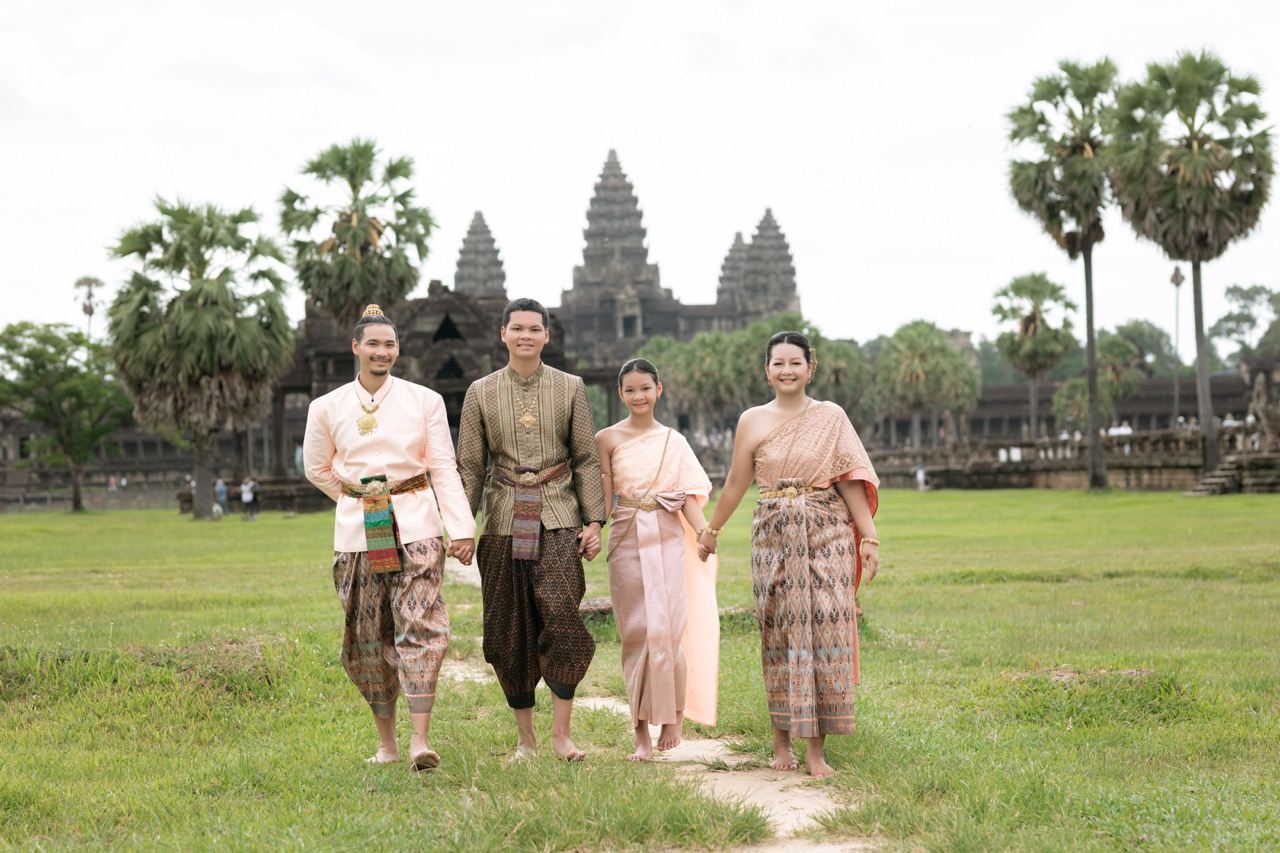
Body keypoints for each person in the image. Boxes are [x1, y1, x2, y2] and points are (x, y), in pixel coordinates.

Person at [698, 331, 879, 779]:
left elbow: (849, 478)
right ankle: (781, 742)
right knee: (778, 631)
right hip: (773, 533)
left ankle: (817, 750)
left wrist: (869, 537)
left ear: (810, 368)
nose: (787, 370)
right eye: (778, 363)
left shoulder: (831, 416)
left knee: (825, 631)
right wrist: (711, 530)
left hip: (826, 529)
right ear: (767, 371)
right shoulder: (752, 420)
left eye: (795, 362)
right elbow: (737, 482)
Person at [303, 304, 475, 771]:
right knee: (367, 635)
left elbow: (443, 467)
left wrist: (460, 528)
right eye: (373, 344)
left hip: (417, 526)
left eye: (390, 344)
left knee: (421, 625)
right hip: (358, 533)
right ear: (356, 347)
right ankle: (387, 744)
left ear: (398, 350)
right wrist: (357, 498)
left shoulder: (425, 400)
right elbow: (316, 468)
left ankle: (420, 740)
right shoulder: (326, 407)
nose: (382, 352)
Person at [456, 297, 605, 762]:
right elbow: (470, 465)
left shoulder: (571, 387)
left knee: (562, 614)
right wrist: (462, 525)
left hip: (558, 515)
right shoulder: (480, 392)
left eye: (534, 329)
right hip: (502, 518)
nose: (525, 336)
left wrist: (594, 520)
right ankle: (526, 740)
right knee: (508, 628)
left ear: (546, 335)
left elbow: (586, 458)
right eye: (517, 328)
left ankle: (562, 736)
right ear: (503, 334)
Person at [596, 358, 718, 762]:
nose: (638, 396)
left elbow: (685, 497)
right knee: (637, 632)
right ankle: (640, 734)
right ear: (620, 393)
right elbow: (605, 500)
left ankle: (673, 719)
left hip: (667, 536)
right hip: (627, 535)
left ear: (658, 390)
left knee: (667, 629)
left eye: (645, 388)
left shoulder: (673, 441)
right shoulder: (607, 439)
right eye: (630, 390)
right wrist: (592, 529)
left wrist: (703, 532)